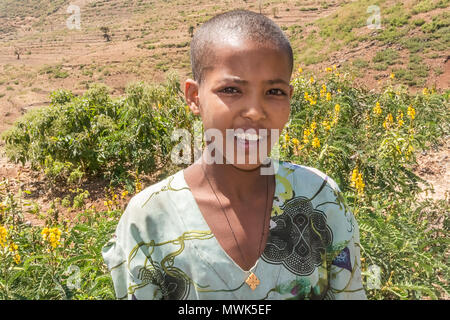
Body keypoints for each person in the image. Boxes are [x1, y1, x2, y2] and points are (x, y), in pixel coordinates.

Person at [101, 9, 367, 300]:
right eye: (231, 89)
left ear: (289, 98)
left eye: (274, 92)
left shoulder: (320, 198)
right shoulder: (149, 218)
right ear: (194, 97)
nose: (254, 111)